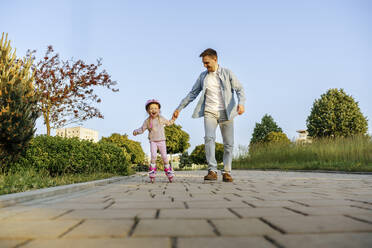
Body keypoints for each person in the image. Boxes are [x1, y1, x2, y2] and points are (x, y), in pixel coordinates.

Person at [172, 48, 245, 182]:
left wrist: (241, 103)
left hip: (227, 113)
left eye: (207, 63)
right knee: (209, 138)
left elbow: (239, 89)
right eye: (204, 63)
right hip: (209, 112)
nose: (205, 66)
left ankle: (227, 172)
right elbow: (192, 94)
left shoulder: (227, 73)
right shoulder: (203, 77)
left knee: (228, 144)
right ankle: (212, 170)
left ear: (215, 59)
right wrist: (179, 108)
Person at [133, 99, 175, 183]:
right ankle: (152, 173)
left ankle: (169, 172)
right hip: (153, 141)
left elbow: (169, 123)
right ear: (148, 111)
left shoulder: (161, 118)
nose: (153, 110)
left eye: (156, 108)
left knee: (164, 158)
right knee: (153, 157)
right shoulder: (147, 121)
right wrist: (136, 131)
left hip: (162, 140)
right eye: (151, 108)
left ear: (159, 110)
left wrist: (174, 118)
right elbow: (142, 129)